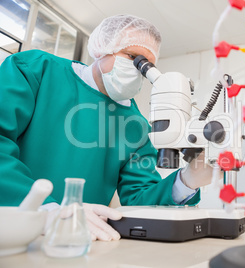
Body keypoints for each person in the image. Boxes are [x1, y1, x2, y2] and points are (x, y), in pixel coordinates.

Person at [0, 15, 215, 241]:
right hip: (11, 229)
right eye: (132, 57)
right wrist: (48, 209)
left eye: (146, 66)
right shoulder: (35, 71)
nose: (137, 70)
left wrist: (187, 181)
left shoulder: (136, 126)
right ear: (101, 48)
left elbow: (139, 198)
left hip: (81, 238)